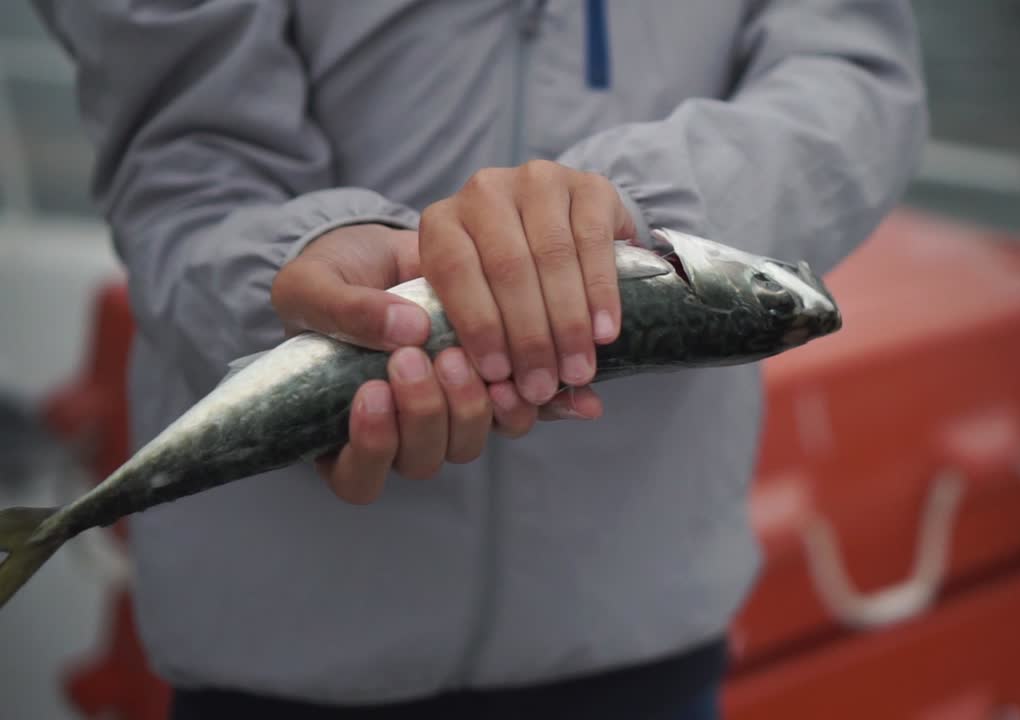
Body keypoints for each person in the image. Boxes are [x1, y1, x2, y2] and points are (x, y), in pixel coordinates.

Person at [32, 2, 927, 718]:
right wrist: (282, 269)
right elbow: (180, 142)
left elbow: (855, 79)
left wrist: (640, 201)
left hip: (636, 630)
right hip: (279, 649)